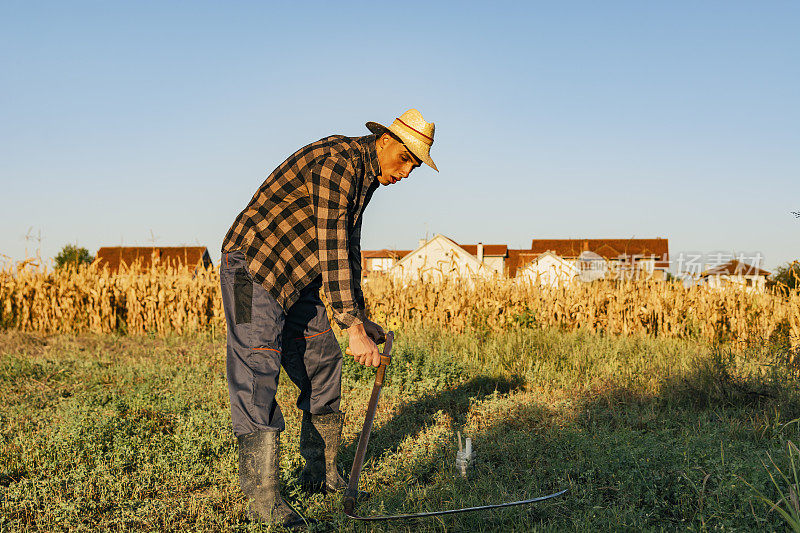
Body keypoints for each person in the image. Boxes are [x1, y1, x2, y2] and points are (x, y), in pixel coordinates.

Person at [219, 109, 438, 528]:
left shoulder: (366, 176)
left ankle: (321, 475)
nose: (408, 172)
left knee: (322, 362)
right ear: (386, 140)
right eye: (408, 159)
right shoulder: (339, 162)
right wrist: (351, 328)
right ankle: (263, 499)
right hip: (251, 270)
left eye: (416, 165)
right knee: (257, 367)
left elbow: (349, 249)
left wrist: (358, 315)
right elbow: (332, 242)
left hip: (299, 277)